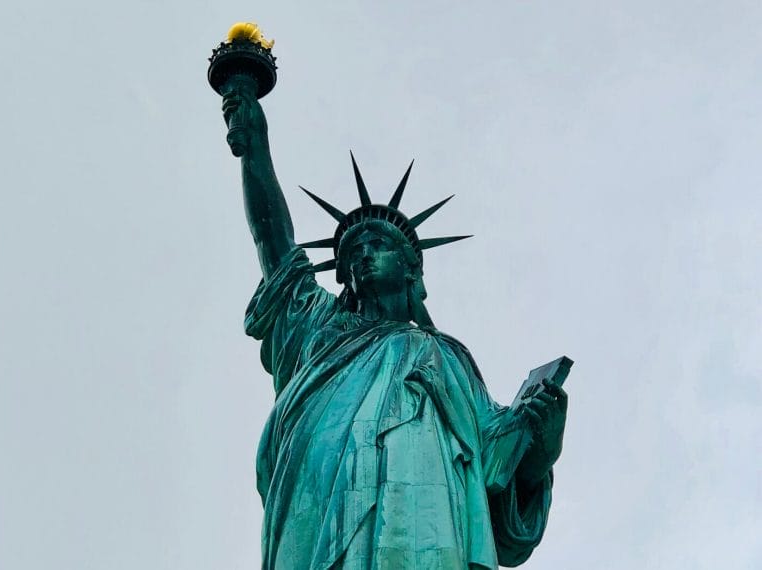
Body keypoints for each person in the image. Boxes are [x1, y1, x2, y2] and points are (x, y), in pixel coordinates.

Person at [220, 76, 568, 570]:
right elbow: (273, 241)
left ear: (411, 267)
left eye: (377, 245)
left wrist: (541, 448)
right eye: (352, 253)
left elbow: (498, 469)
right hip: (315, 503)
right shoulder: (317, 329)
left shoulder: (446, 358)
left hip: (423, 525)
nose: (363, 256)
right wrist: (255, 144)